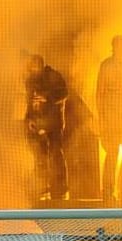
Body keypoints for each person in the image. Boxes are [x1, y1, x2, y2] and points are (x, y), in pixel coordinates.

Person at [96, 36, 122, 203]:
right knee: (113, 153)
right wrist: (102, 119)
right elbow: (100, 92)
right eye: (121, 47)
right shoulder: (106, 65)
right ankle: (107, 192)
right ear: (114, 48)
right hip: (111, 113)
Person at [24, 55, 70, 200]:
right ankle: (43, 188)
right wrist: (29, 119)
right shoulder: (30, 81)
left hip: (54, 123)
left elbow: (64, 93)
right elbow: (29, 102)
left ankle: (61, 189)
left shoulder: (53, 76)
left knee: (56, 153)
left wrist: (47, 97)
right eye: (31, 67)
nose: (33, 69)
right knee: (40, 156)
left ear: (41, 65)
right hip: (38, 123)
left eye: (35, 66)